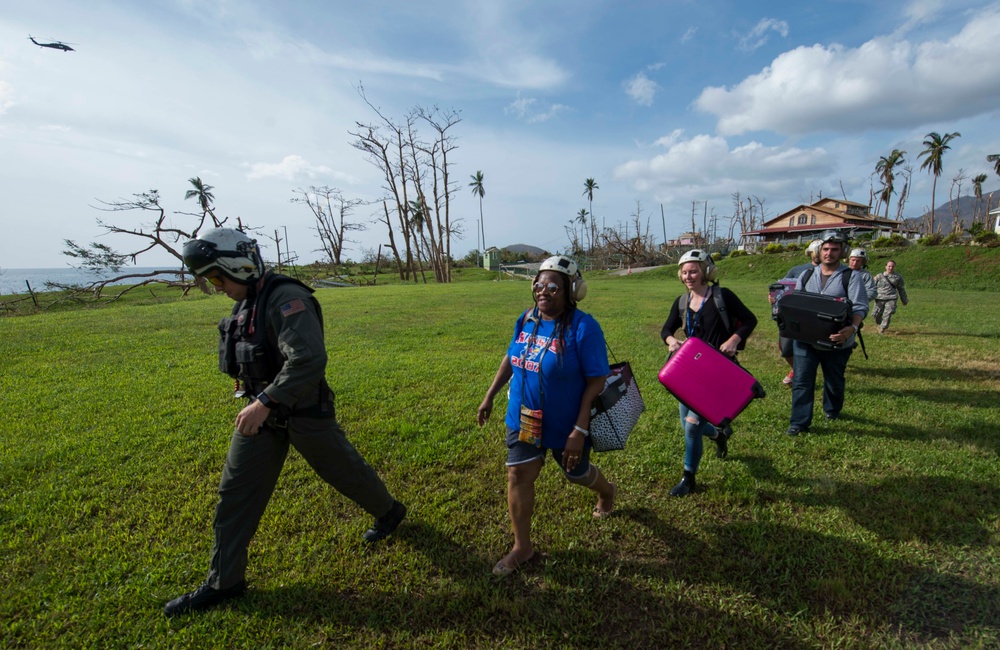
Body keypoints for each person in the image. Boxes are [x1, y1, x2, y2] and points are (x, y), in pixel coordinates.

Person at [165, 228, 406, 616]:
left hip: (303, 412)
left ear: (238, 267)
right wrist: (258, 400)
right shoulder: (246, 303)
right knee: (234, 493)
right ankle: (224, 582)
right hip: (263, 416)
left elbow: (308, 360)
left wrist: (265, 400)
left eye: (216, 277)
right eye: (209, 280)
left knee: (345, 472)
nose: (216, 287)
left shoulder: (288, 298)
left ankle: (390, 512)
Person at [478, 255, 616, 576]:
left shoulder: (584, 327)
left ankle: (607, 491)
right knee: (518, 475)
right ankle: (522, 547)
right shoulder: (527, 318)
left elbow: (597, 380)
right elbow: (510, 357)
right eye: (539, 285)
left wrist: (578, 431)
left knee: (575, 474)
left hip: (567, 422)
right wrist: (489, 396)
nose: (544, 292)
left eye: (553, 286)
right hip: (525, 416)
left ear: (573, 290)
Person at [661, 250, 757, 497]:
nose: (688, 276)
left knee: (692, 426)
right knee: (687, 425)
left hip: (717, 371)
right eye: (684, 272)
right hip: (688, 372)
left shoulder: (723, 296)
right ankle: (719, 434)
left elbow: (750, 320)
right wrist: (672, 341)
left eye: (693, 271)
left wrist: (735, 339)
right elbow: (666, 329)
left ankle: (688, 477)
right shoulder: (682, 302)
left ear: (706, 271)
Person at [786, 231, 868, 436]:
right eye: (825, 249)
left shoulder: (851, 276)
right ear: (818, 251)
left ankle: (832, 410)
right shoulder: (805, 276)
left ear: (843, 252)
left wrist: (852, 329)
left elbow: (859, 307)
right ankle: (799, 423)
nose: (829, 253)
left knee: (834, 379)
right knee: (802, 381)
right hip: (806, 340)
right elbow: (797, 303)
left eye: (834, 249)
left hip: (837, 341)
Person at [770, 240, 821, 386]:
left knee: (808, 350)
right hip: (792, 316)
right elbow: (780, 287)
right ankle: (796, 370)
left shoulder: (833, 272)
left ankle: (802, 375)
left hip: (814, 318)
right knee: (785, 348)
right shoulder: (797, 270)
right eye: (814, 252)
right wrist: (773, 296)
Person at [872, 260, 909, 334]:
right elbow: (872, 286)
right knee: (876, 314)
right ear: (886, 266)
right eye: (889, 266)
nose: (890, 268)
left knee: (887, 313)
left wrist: (904, 299)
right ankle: (879, 324)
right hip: (879, 298)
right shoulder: (879, 276)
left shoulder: (897, 277)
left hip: (891, 298)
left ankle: (882, 328)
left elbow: (901, 289)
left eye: (892, 266)